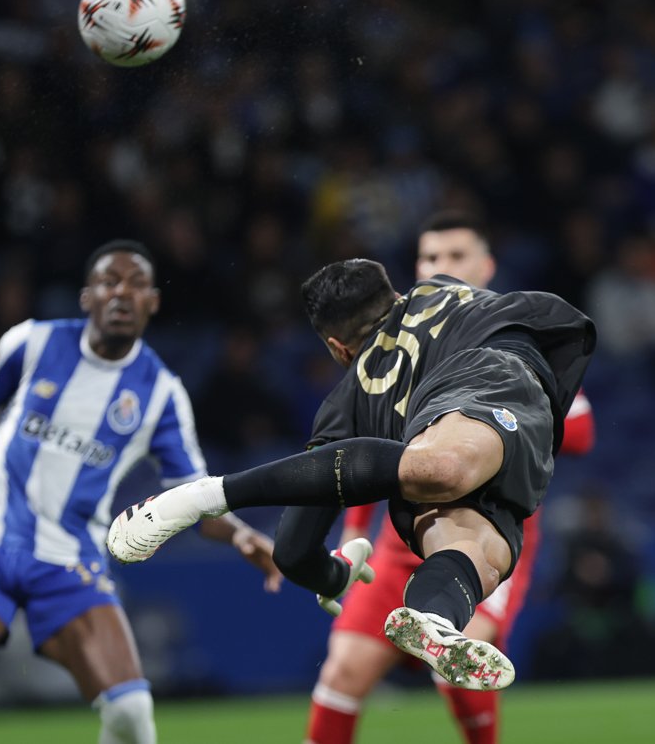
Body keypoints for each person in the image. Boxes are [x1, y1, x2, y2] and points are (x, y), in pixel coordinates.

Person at [0, 239, 282, 744]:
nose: (122, 292)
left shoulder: (160, 393)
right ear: (86, 297)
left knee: (132, 716)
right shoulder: (30, 343)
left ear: (153, 303)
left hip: (68, 561)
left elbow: (191, 496)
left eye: (136, 283)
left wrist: (240, 536)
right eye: (108, 281)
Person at [109, 255, 596, 694]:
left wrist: (332, 575)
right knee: (481, 552)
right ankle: (434, 621)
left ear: (337, 347)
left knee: (441, 472)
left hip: (487, 380)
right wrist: (339, 570)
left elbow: (294, 551)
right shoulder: (440, 290)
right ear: (396, 294)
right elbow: (293, 547)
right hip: (501, 410)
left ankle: (207, 495)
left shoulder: (348, 397)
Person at [304, 212, 596, 743]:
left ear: (485, 265)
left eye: (456, 256)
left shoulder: (514, 328)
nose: (443, 266)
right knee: (342, 671)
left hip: (486, 527)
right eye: (432, 258)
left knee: (461, 675)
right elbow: (366, 449)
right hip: (399, 537)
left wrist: (495, 418)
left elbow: (580, 429)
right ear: (417, 268)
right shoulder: (398, 347)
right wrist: (352, 534)